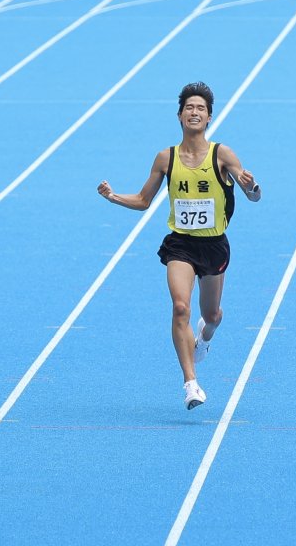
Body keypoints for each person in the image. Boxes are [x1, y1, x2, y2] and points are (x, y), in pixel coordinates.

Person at [98, 81, 261, 410]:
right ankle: (191, 384)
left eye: (201, 108)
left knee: (211, 314)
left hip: (214, 246)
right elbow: (144, 200)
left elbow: (252, 195)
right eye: (190, 108)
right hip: (180, 246)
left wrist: (252, 187)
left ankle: (205, 337)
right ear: (180, 116)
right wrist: (114, 196)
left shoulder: (222, 154)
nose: (195, 112)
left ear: (209, 118)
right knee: (180, 308)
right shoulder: (165, 158)